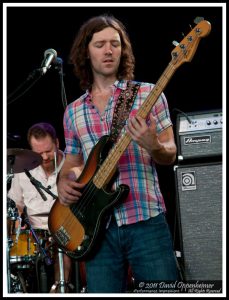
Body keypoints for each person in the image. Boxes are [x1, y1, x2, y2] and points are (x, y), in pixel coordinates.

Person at [57, 14, 179, 293]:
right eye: (100, 44)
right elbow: (72, 164)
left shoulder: (148, 94)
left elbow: (170, 153)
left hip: (145, 219)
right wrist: (63, 183)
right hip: (97, 230)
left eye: (115, 43)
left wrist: (154, 146)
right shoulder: (73, 111)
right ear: (86, 52)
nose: (108, 50)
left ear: (123, 50)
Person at [7, 122, 73, 293]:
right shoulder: (22, 169)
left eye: (48, 151)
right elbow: (15, 206)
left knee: (63, 252)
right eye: (39, 153)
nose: (44, 157)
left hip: (65, 232)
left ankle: (60, 290)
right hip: (33, 235)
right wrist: (15, 225)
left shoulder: (71, 165)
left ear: (57, 143)